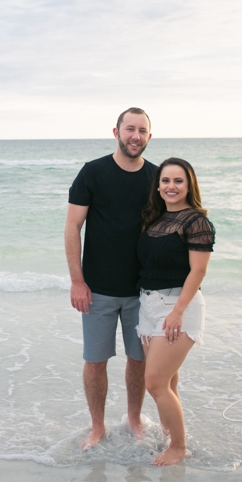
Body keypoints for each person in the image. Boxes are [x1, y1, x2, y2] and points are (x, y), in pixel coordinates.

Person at [65, 107, 157, 449]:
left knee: (139, 360)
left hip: (144, 291)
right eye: (129, 128)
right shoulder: (92, 173)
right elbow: (73, 226)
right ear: (116, 132)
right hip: (97, 290)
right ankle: (98, 426)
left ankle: (134, 419)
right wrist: (78, 281)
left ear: (150, 136)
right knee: (95, 361)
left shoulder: (157, 177)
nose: (135, 136)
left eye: (142, 130)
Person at [136, 157, 215, 466]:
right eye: (165, 180)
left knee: (154, 382)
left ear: (189, 185)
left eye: (178, 181)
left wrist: (178, 312)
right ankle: (172, 439)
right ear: (158, 185)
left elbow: (198, 272)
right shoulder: (155, 219)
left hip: (178, 306)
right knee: (167, 382)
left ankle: (179, 447)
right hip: (149, 306)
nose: (171, 186)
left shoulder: (196, 221)